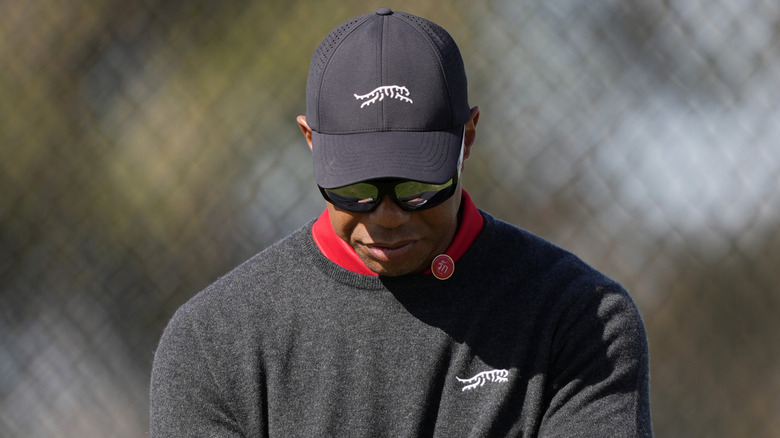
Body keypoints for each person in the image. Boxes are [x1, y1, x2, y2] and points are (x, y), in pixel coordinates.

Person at [150, 8, 652, 437]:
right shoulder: (213, 342)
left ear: (467, 138)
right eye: (356, 189)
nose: (387, 216)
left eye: (416, 187)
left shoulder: (580, 319)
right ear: (310, 141)